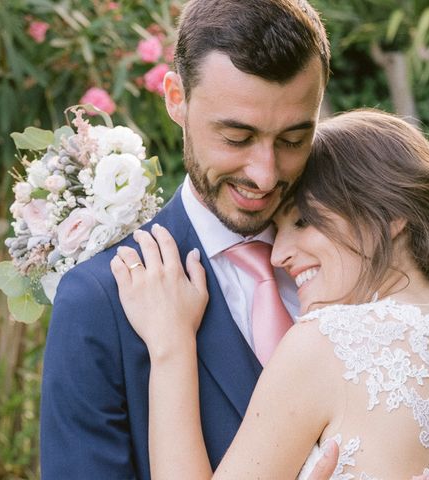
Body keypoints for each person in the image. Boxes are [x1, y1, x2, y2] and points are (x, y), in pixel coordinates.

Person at [112, 110, 429, 479]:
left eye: (301, 222)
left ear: (390, 217)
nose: (278, 255)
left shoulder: (331, 343)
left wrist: (171, 347)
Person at [40, 1, 339, 478]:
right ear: (176, 98)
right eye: (237, 138)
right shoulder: (98, 303)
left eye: (292, 139)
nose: (265, 175)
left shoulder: (363, 264)